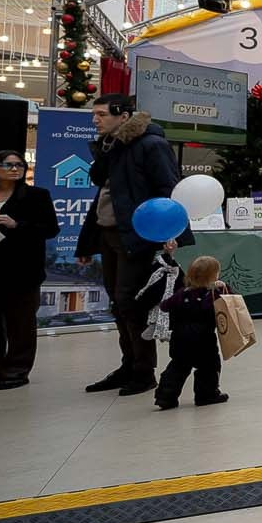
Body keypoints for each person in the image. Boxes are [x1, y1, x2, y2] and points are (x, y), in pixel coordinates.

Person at [74, 95, 191, 396]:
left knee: (130, 301)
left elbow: (169, 188)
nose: (95, 120)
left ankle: (143, 370)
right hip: (109, 231)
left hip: (138, 235)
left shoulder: (151, 145)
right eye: (94, 115)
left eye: (101, 114)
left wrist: (171, 231)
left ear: (123, 115)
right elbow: (103, 189)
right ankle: (129, 364)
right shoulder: (110, 146)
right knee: (117, 301)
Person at [0, 149, 61, 389]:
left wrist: (17, 224)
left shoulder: (36, 196)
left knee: (20, 323)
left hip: (21, 270)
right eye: (8, 164)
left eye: (19, 165)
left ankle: (17, 369)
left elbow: (50, 229)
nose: (14, 169)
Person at [155, 255, 229, 410]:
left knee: (177, 367)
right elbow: (226, 303)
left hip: (179, 338)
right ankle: (206, 395)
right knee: (209, 367)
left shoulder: (183, 293)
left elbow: (164, 306)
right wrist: (221, 288)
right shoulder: (212, 294)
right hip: (203, 339)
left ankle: (165, 396)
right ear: (213, 277)